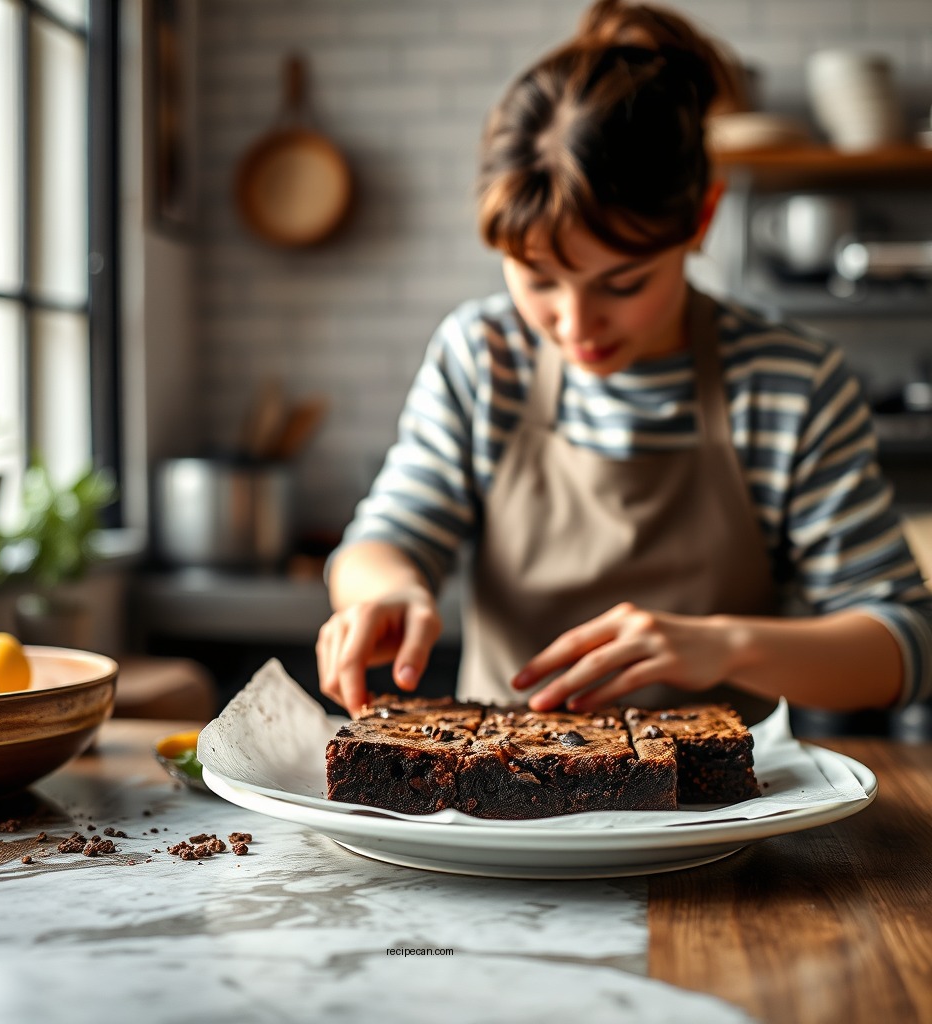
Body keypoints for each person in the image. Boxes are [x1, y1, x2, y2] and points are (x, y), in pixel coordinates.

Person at [316, 0, 932, 723]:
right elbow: (383, 539)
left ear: (701, 218)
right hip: (498, 817)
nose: (575, 324)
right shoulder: (484, 355)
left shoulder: (787, 385)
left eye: (623, 283)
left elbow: (907, 642)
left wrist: (727, 646)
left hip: (713, 822)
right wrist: (386, 590)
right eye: (538, 278)